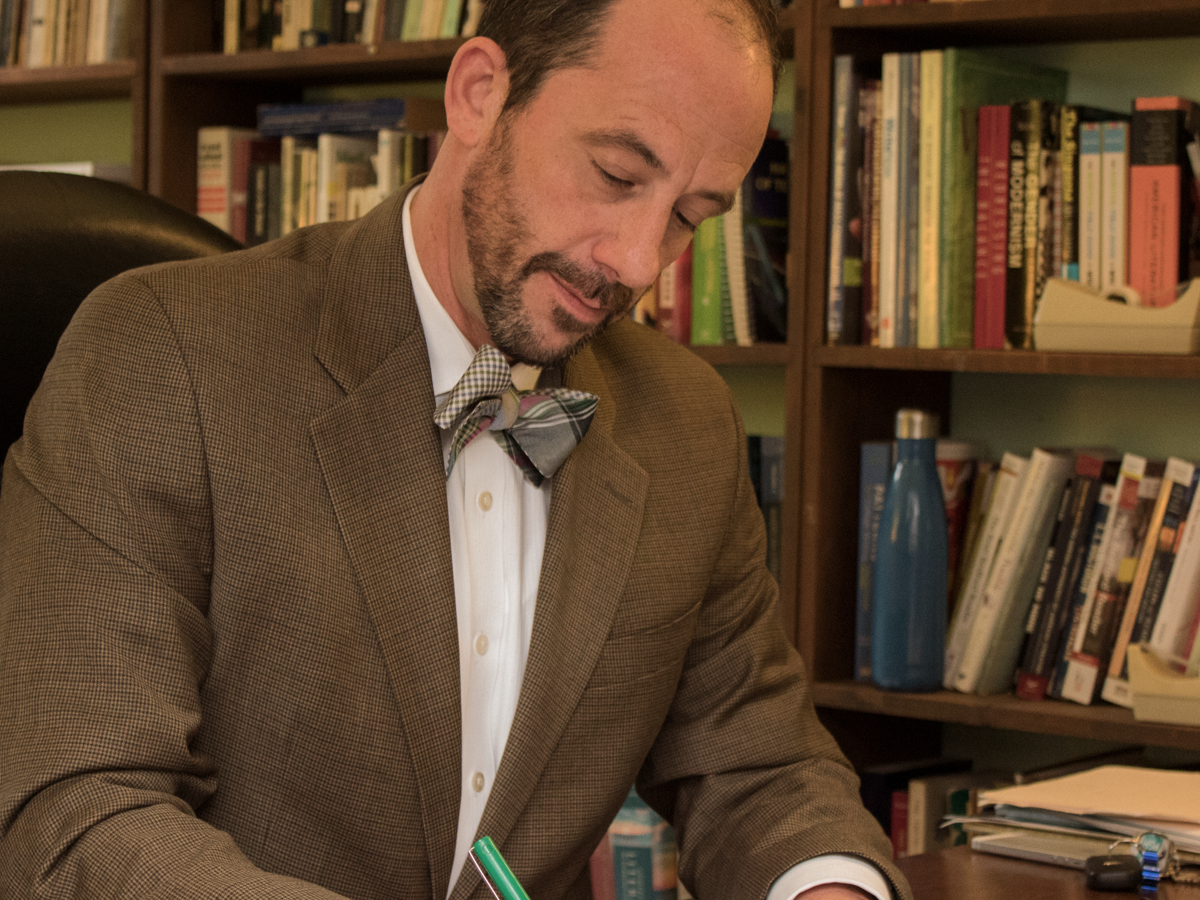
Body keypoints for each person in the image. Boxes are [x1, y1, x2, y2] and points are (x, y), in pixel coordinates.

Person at [0, 0, 912, 897]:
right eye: (616, 174)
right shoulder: (163, 355)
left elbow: (758, 766)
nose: (637, 261)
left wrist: (828, 885)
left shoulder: (686, 422)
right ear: (479, 93)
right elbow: (79, 809)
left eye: (689, 215)